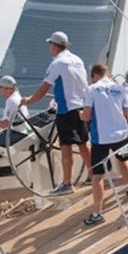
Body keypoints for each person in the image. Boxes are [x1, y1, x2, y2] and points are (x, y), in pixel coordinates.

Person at [21, 31, 92, 194]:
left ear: (54, 46)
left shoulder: (57, 63)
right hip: (81, 107)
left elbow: (44, 88)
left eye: (50, 44)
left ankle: (67, 183)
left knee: (66, 146)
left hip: (66, 110)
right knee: (83, 144)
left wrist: (28, 101)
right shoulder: (77, 60)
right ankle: (92, 173)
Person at [80, 63, 128, 226]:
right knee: (123, 160)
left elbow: (87, 115)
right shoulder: (121, 89)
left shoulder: (91, 89)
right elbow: (126, 113)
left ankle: (98, 213)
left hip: (101, 137)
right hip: (121, 134)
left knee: (97, 176)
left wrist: (81, 116)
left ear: (94, 75)